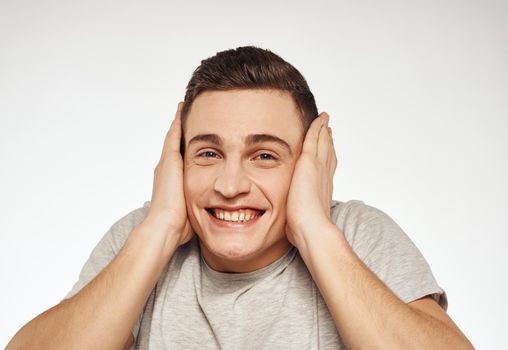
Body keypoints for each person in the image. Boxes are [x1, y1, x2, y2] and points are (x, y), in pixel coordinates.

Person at [6, 46, 474, 349]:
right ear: (178, 161)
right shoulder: (144, 236)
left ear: (309, 163)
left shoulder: (352, 232)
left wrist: (313, 231)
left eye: (265, 155)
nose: (230, 185)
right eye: (208, 153)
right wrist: (161, 231)